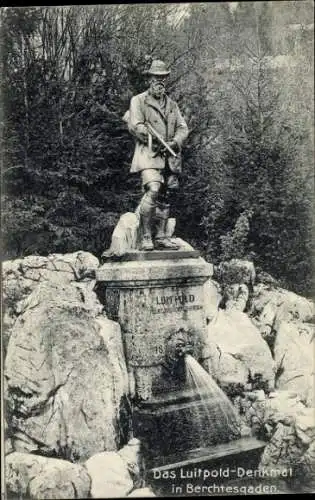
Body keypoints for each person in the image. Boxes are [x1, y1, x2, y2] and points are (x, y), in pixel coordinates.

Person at [124, 59, 189, 250]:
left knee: (166, 195)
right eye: (156, 77)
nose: (160, 81)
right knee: (153, 189)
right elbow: (136, 126)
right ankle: (145, 237)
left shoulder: (172, 105)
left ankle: (160, 236)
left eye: (163, 78)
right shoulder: (138, 100)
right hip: (149, 154)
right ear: (149, 79)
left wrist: (174, 142)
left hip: (170, 156)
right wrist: (153, 138)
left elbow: (183, 128)